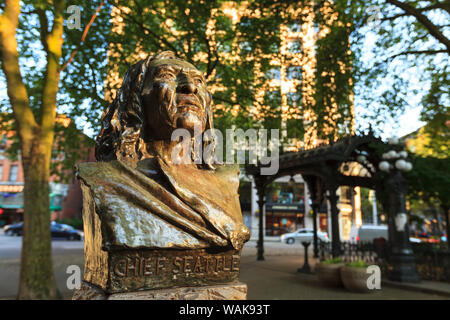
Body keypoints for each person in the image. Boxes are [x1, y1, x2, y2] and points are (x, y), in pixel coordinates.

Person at [78, 51, 250, 251]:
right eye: (167, 76)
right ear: (136, 100)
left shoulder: (226, 181)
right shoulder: (108, 179)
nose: (190, 87)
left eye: (199, 81)